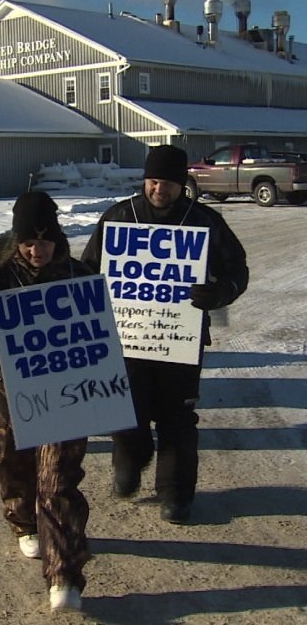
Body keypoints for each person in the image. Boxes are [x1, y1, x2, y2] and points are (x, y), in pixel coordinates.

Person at [81, 144, 249, 524]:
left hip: (180, 340)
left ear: (181, 184)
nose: (160, 189)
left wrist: (220, 292)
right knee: (127, 412)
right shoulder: (119, 217)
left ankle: (175, 494)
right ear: (145, 180)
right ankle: (129, 464)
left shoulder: (204, 221)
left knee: (177, 419)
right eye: (154, 181)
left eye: (169, 183)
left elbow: (237, 268)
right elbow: (89, 272)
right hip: (127, 340)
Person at [0, 191, 91, 612]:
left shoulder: (77, 275)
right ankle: (24, 521)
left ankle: (64, 575)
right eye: (27, 241)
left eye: (44, 241)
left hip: (64, 396)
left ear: (57, 237)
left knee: (58, 480)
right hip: (8, 391)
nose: (36, 250)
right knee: (15, 462)